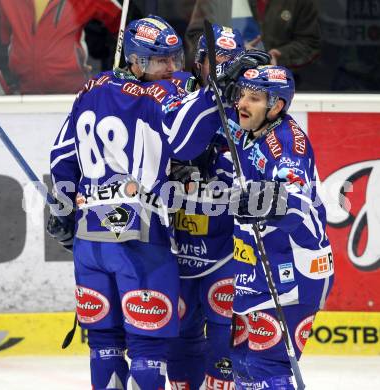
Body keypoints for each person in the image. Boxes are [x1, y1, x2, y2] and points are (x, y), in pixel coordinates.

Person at [47, 15, 247, 390]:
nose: (171, 67)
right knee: (148, 345)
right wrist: (213, 93)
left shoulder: (89, 89)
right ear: (135, 61)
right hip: (139, 239)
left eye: (174, 57)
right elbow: (186, 141)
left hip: (91, 241)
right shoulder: (158, 97)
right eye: (161, 60)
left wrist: (61, 209)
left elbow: (61, 158)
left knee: (104, 344)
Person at [167, 26, 270, 389]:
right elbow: (168, 142)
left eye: (230, 63)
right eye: (216, 62)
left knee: (225, 339)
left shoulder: (248, 107)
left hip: (226, 247)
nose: (222, 71)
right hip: (178, 246)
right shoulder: (176, 91)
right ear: (200, 62)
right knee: (180, 336)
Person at [226, 65, 334, 388]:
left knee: (266, 366)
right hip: (262, 266)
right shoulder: (249, 131)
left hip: (297, 268)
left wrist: (268, 200)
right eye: (241, 95)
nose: (242, 104)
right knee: (243, 365)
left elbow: (297, 202)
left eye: (254, 98)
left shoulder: (286, 144)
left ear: (276, 107)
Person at [0, 0, 122, 94]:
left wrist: (113, 81)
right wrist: (9, 85)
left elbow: (123, 23)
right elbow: (1, 43)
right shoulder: (6, 2)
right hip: (22, 98)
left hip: (73, 97)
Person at [246, 0, 320, 70]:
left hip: (282, 73)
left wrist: (280, 54)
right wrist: (240, 46)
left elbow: (309, 43)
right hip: (243, 66)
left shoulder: (302, 2)